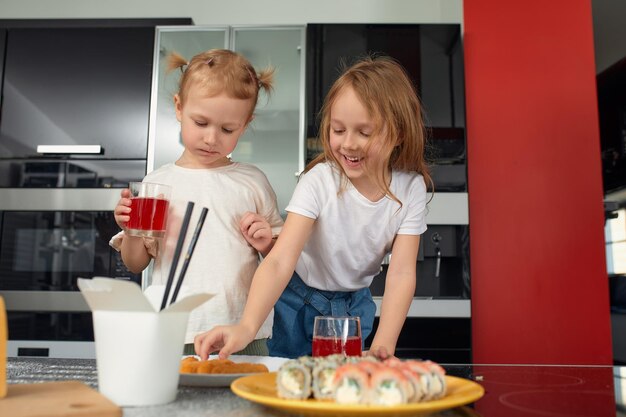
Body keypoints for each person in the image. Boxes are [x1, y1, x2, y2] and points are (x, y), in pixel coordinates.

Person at [194, 55, 432, 360]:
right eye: (338, 129)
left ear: (397, 133)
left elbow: (400, 274)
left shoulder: (409, 189)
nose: (348, 143)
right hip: (296, 302)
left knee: (340, 396)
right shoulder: (319, 181)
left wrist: (383, 347)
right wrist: (246, 327)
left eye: (365, 132)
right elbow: (280, 262)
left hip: (354, 307)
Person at [112, 49, 284, 356]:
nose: (211, 138)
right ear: (179, 107)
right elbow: (135, 263)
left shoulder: (253, 182)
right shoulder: (158, 184)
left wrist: (265, 243)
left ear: (245, 124)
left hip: (242, 331)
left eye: (227, 129)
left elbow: (280, 259)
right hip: (172, 329)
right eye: (201, 122)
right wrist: (132, 230)